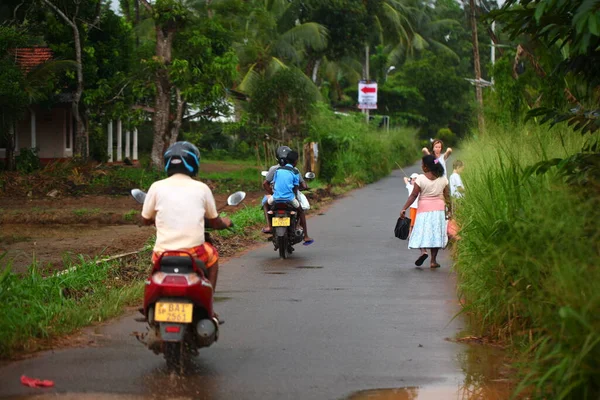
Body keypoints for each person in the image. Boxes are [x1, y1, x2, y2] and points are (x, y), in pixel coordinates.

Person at [141, 141, 232, 301]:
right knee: (213, 257)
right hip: (193, 252)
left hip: (163, 253)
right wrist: (225, 222)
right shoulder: (202, 188)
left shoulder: (156, 186)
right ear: (194, 163)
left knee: (155, 268)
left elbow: (145, 218)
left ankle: (149, 300)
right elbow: (215, 221)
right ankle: (208, 300)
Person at [400, 154, 450, 269]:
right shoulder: (443, 179)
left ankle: (423, 251)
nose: (422, 167)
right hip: (438, 210)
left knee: (421, 231)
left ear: (427, 167)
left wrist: (404, 208)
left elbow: (413, 195)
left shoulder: (421, 179)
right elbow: (447, 196)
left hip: (423, 209)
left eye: (423, 165)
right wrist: (450, 211)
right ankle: (433, 261)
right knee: (436, 233)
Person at [265, 150, 314, 245]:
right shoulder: (295, 171)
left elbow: (273, 184)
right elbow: (295, 189)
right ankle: (306, 236)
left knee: (266, 204)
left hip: (275, 198)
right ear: (296, 161)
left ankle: (270, 226)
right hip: (289, 199)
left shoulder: (278, 170)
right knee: (301, 211)